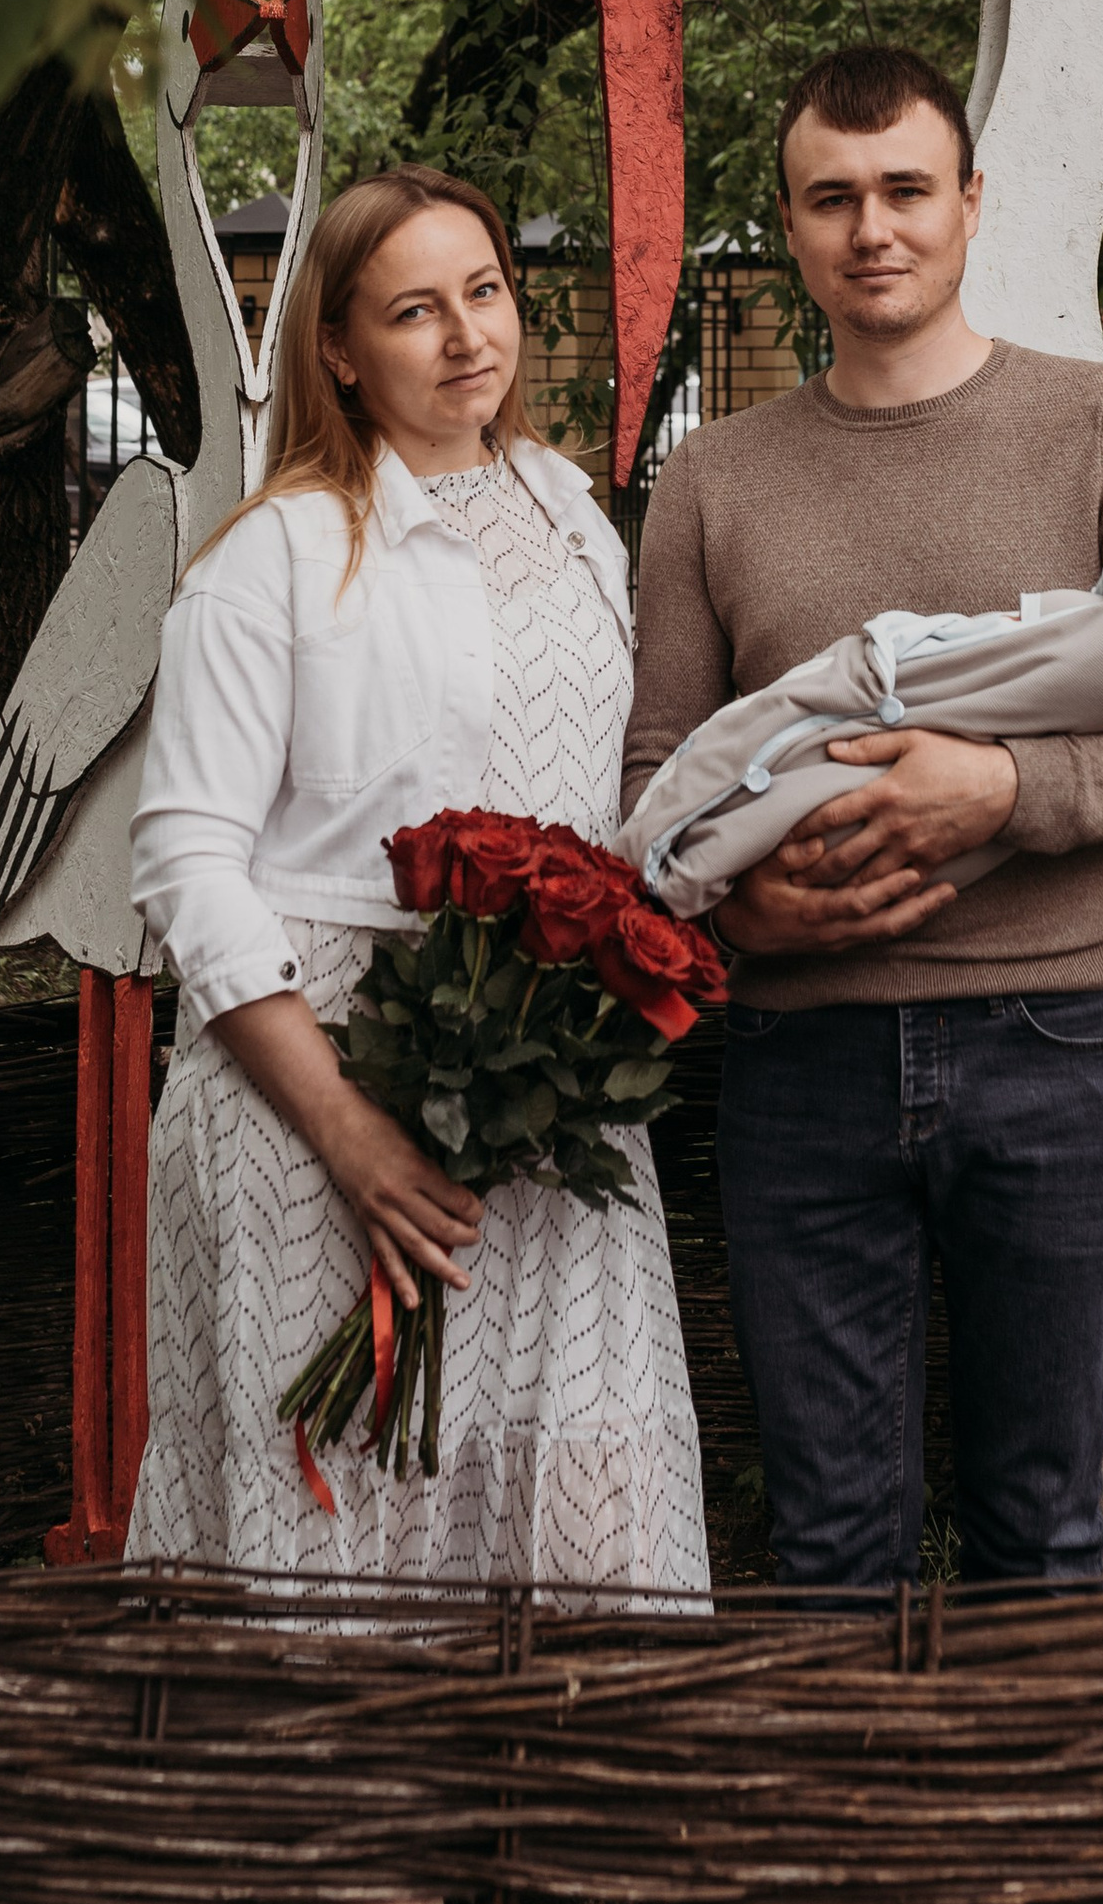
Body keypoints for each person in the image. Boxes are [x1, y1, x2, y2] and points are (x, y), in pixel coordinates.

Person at [622, 45, 1103, 1590]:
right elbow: (655, 782)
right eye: (832, 199)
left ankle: (1032, 1842)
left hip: (1059, 1043)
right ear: (788, 227)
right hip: (799, 1057)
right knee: (829, 1541)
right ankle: (855, 1840)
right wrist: (738, 919)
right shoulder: (711, 481)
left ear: (970, 205)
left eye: (908, 189)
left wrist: (1014, 789)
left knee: (1043, 1531)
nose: (874, 229)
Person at [127, 163, 709, 1602]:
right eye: (412, 312)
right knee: (341, 1488)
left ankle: (532, 1792)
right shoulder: (276, 557)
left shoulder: (576, 515)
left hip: (543, 1069)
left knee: (571, 1466)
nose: (466, 337)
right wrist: (346, 1128)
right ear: (339, 348)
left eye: (486, 293)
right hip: (315, 1070)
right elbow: (186, 861)